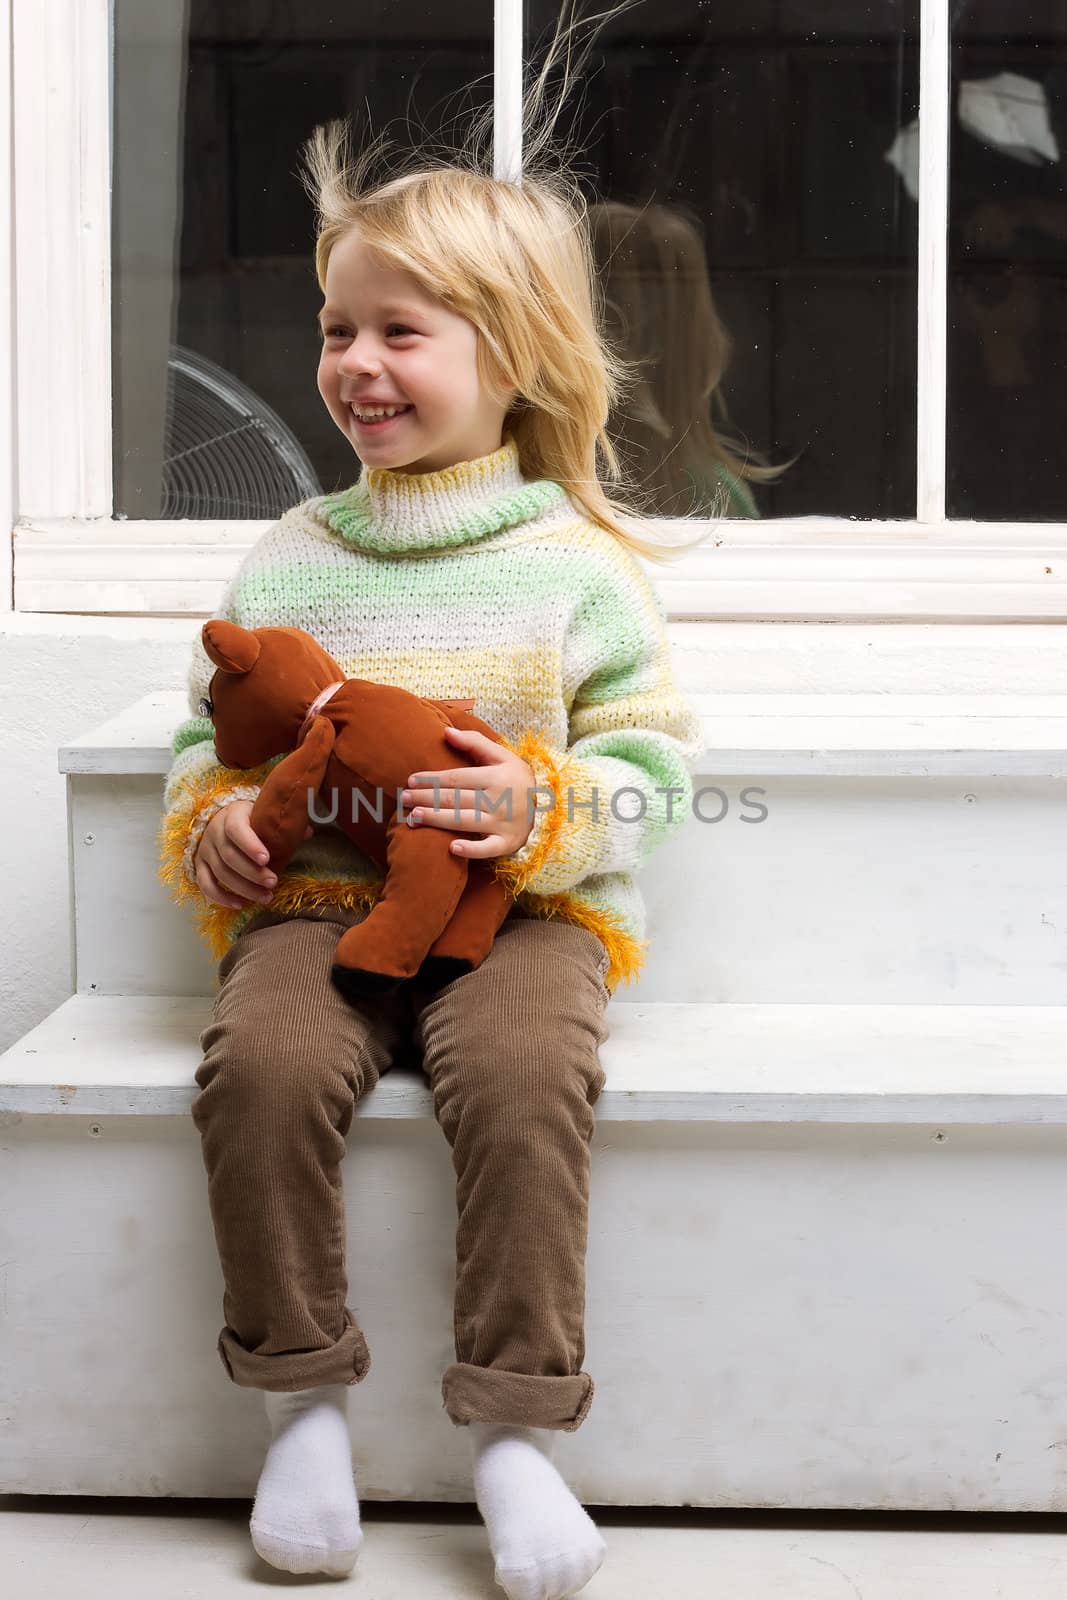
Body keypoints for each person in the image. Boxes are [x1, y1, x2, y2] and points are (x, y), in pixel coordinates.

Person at [157, 3, 706, 1592]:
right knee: (257, 1069)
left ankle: (518, 1432)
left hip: (523, 914)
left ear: (510, 357)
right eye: (340, 329)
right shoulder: (291, 552)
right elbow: (221, 744)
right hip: (323, 906)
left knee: (528, 1083)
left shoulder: (575, 570)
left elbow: (650, 769)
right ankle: (301, 1403)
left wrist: (538, 812)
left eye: (403, 332)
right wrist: (222, 828)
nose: (357, 365)